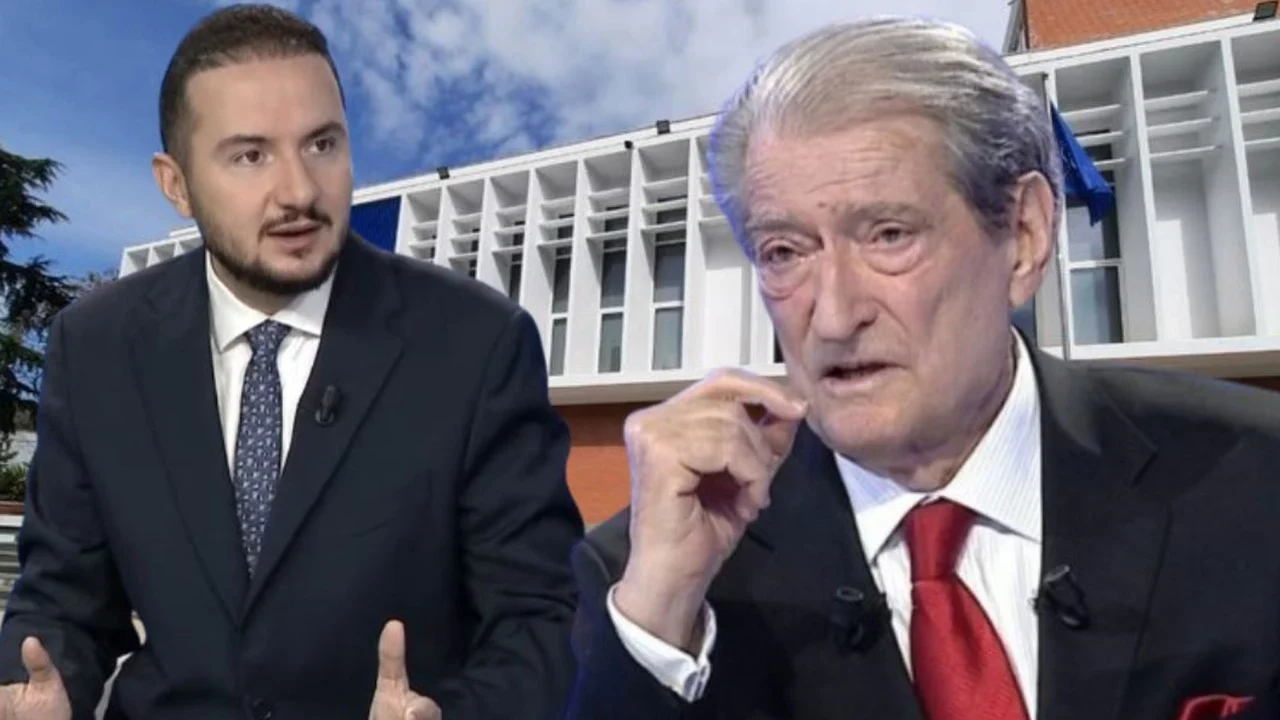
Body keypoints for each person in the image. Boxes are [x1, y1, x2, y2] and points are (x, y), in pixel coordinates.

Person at [565, 15, 1280, 720]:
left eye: (888, 235)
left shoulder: (1255, 472)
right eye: (784, 252)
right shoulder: (653, 578)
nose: (834, 316)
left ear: (1024, 235)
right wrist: (662, 620)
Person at [0, 5, 582, 719]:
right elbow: (62, 601)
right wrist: (40, 692)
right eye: (251, 156)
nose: (300, 191)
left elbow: (541, 620)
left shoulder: (477, 343)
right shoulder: (96, 347)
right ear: (175, 184)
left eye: (322, 144)